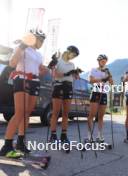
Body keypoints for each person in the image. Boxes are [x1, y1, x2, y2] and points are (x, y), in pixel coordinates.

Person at [0, 29, 47, 158]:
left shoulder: (38, 55)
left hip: (34, 82)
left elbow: (39, 69)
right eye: (40, 39)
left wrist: (46, 69)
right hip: (21, 79)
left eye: (43, 40)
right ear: (32, 38)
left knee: (27, 113)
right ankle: (6, 146)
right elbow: (12, 63)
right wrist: (21, 47)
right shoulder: (22, 47)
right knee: (20, 112)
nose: (41, 42)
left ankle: (20, 142)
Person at [48, 46, 80, 147]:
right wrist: (67, 73)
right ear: (68, 51)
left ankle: (63, 136)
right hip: (59, 86)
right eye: (73, 55)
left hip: (68, 87)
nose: (73, 57)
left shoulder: (72, 64)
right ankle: (53, 136)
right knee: (56, 113)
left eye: (75, 56)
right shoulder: (58, 61)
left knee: (66, 113)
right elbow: (54, 75)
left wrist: (76, 74)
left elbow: (75, 78)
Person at [87, 54, 113, 143]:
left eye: (105, 62)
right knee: (92, 115)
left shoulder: (107, 71)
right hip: (96, 91)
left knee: (101, 116)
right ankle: (89, 135)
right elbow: (90, 80)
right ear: (99, 61)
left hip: (104, 92)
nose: (104, 63)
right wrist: (102, 79)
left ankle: (99, 135)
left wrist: (109, 75)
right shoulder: (93, 70)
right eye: (102, 61)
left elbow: (112, 83)